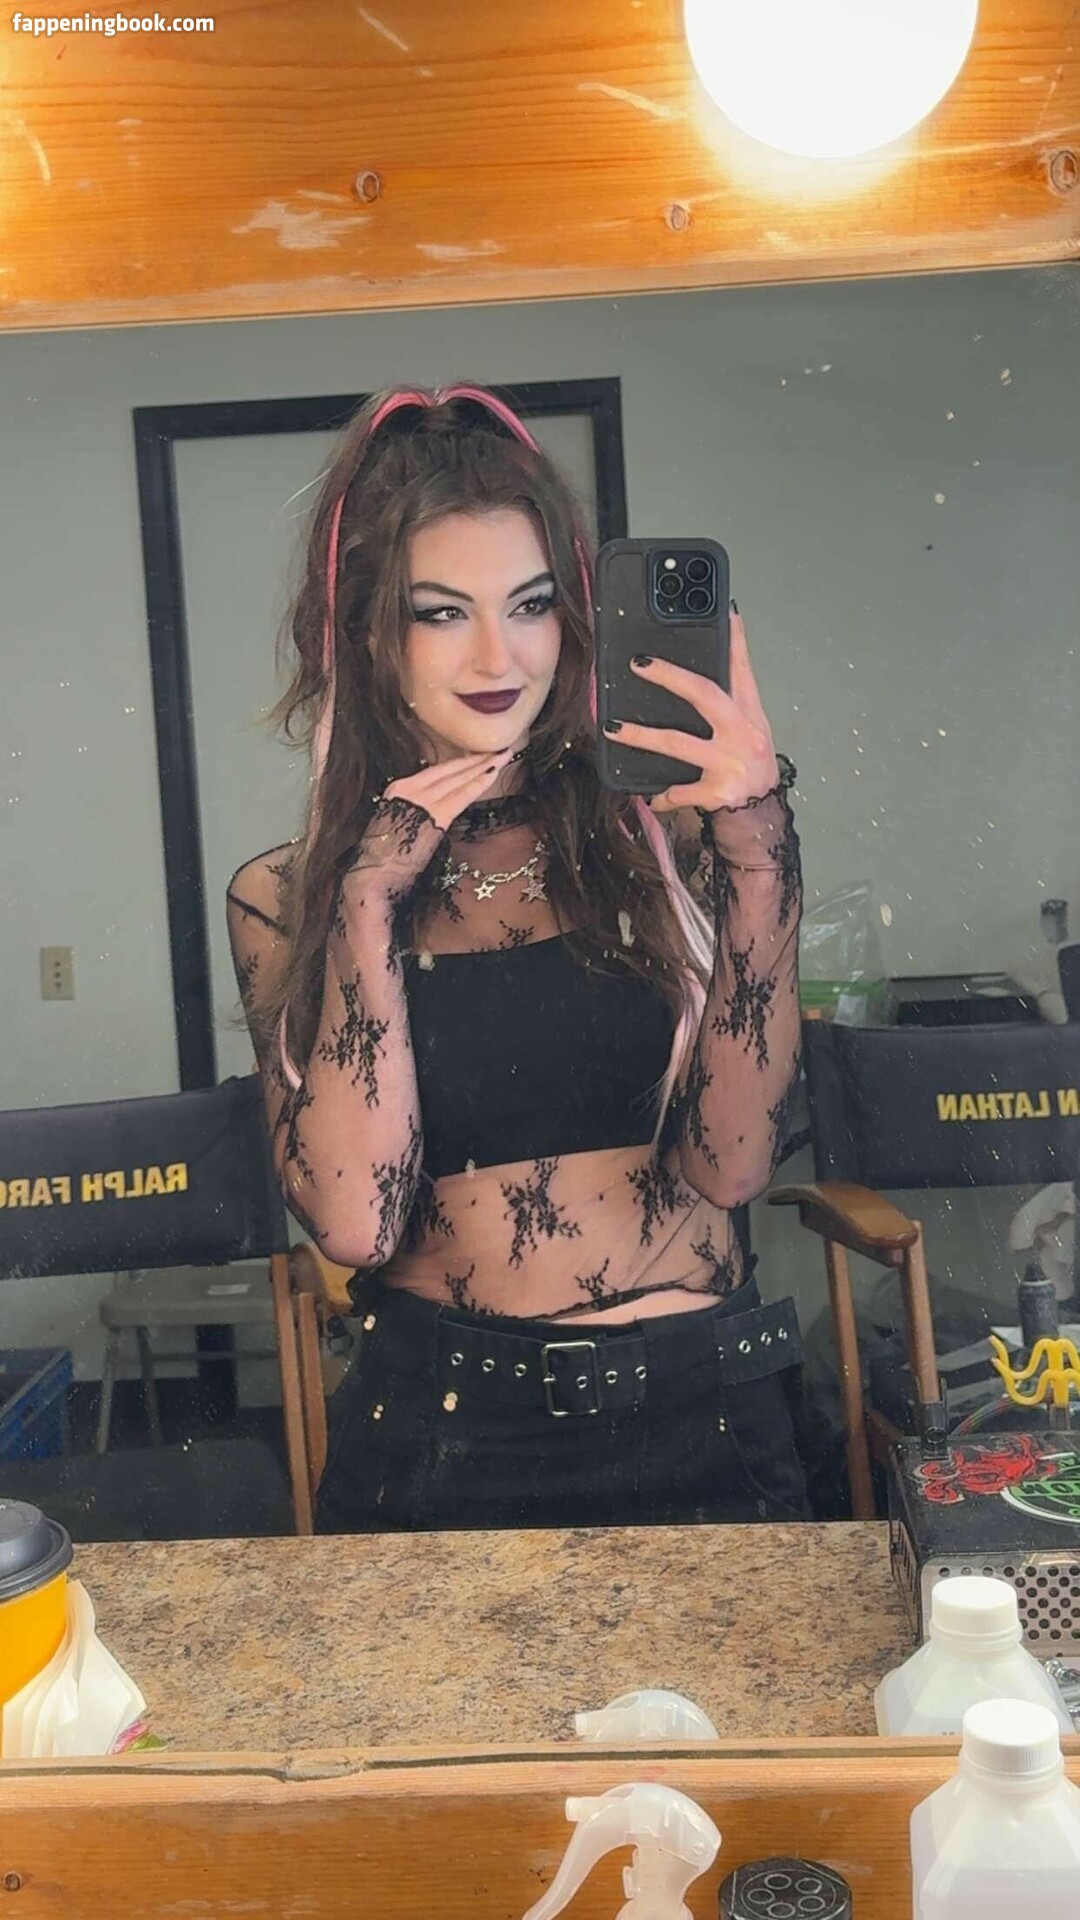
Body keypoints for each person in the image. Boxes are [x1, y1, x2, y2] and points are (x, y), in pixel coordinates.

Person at [226, 382, 810, 1534]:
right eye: (442, 612)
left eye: (531, 604)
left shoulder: (675, 838)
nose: (499, 653)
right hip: (444, 1429)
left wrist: (756, 846)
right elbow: (353, 1224)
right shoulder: (288, 894)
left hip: (706, 1404)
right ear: (366, 635)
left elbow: (733, 1167)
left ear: (574, 616)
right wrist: (364, 905)